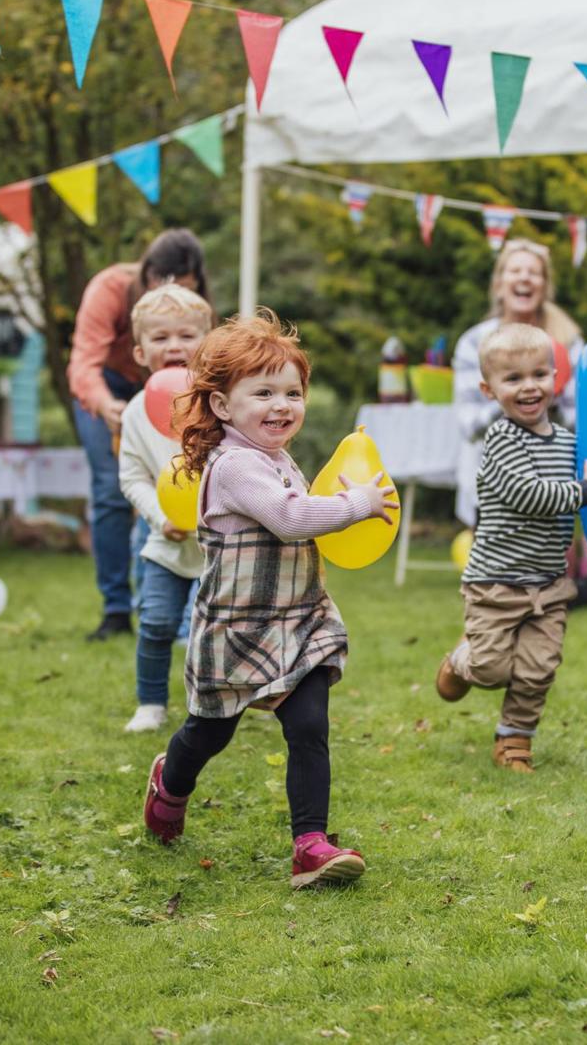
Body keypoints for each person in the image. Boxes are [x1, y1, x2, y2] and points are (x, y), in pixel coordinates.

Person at [141, 312, 396, 889]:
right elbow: (289, 519)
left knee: (309, 724)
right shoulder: (233, 466)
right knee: (210, 732)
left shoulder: (280, 459)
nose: (282, 405)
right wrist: (356, 505)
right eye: (264, 393)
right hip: (237, 628)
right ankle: (170, 784)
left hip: (299, 618)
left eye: (292, 392)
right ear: (224, 407)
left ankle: (310, 844)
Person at [436, 324, 587, 774]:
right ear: (489, 389)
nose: (529, 387)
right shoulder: (501, 441)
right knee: (491, 670)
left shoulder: (568, 443)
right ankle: (462, 659)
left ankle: (514, 742)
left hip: (548, 582)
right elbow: (533, 496)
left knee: (538, 668)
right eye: (513, 378)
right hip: (495, 584)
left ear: (556, 377)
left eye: (539, 374)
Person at [452, 238, 587, 607]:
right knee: (506, 588)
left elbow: (583, 421)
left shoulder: (568, 341)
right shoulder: (474, 343)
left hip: (556, 471)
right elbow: (469, 424)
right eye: (515, 270)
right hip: (497, 477)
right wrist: (519, 398)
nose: (524, 278)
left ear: (545, 286)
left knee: (547, 586)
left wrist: (555, 401)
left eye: (534, 272)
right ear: (499, 283)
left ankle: (585, 589)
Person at [68, 229, 210, 642]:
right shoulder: (109, 288)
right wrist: (106, 405)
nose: (171, 292)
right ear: (146, 273)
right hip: (110, 388)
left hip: (178, 389)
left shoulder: (195, 312)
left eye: (184, 286)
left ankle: (176, 608)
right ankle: (115, 609)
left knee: (177, 486)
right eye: (162, 282)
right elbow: (83, 362)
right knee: (112, 492)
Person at [118, 284, 214, 733]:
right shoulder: (135, 414)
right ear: (140, 352)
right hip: (166, 541)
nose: (174, 345)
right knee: (155, 622)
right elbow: (132, 478)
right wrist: (162, 517)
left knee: (210, 629)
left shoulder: (224, 404)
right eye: (160, 338)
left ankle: (210, 704)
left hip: (220, 543)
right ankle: (151, 703)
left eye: (186, 335)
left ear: (208, 342)